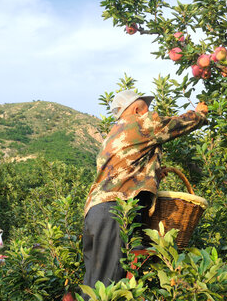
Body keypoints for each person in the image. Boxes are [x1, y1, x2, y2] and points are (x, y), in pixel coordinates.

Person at [82, 89, 208, 292]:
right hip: (116, 211)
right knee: (107, 288)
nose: (150, 113)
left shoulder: (112, 136)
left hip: (96, 213)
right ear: (137, 109)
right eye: (147, 109)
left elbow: (124, 170)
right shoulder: (138, 122)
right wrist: (199, 114)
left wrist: (153, 174)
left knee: (95, 283)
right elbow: (173, 125)